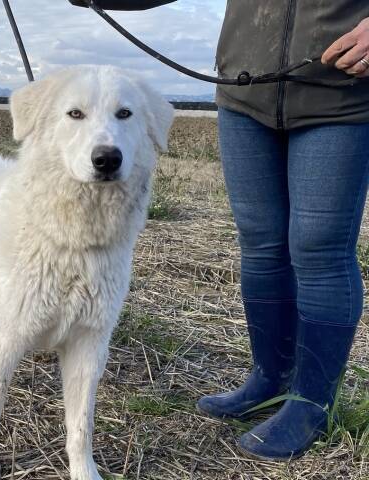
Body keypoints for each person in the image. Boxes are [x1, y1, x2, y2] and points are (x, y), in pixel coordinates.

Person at [196, 3, 369, 461]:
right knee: (260, 243)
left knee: (319, 250)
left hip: (340, 93)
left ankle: (311, 404)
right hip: (244, 87)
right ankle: (269, 378)